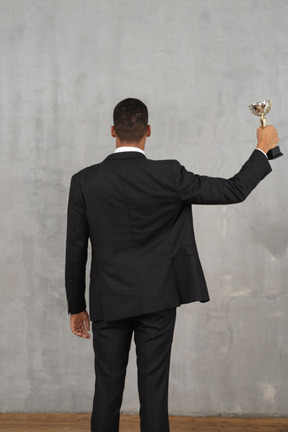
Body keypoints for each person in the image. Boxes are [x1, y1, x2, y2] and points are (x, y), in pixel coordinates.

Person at [65, 98, 279, 432]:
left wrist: (76, 306)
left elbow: (76, 248)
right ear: (148, 131)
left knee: (106, 393)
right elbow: (233, 190)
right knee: (154, 394)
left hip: (108, 300)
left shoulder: (85, 181)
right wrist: (262, 149)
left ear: (112, 132)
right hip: (158, 298)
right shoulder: (168, 175)